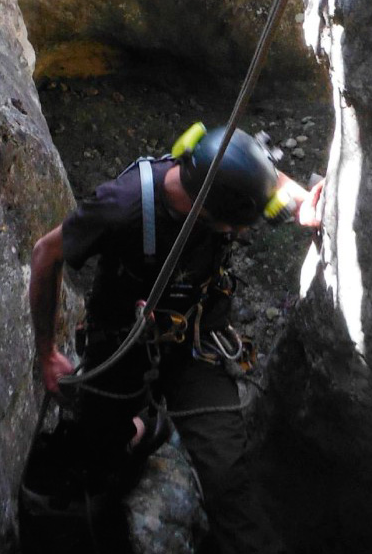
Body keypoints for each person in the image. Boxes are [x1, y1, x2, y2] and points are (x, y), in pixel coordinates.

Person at [28, 124, 324, 554]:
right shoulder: (120, 207)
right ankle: (144, 427)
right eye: (235, 227)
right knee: (100, 461)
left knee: (228, 480)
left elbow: (268, 179)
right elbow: (45, 254)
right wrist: (46, 354)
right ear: (206, 210)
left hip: (196, 341)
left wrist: (300, 205)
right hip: (122, 344)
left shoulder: (218, 165)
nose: (241, 234)